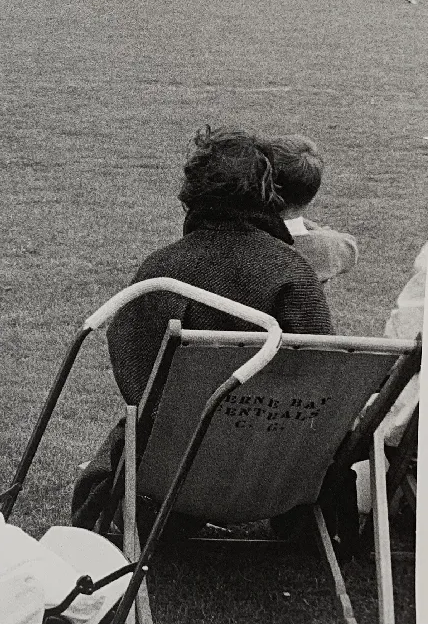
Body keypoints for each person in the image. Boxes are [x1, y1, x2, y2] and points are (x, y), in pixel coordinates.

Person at [70, 125, 334, 526]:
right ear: (269, 195)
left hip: (173, 468)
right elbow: (321, 376)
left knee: (141, 426)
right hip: (275, 468)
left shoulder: (160, 272)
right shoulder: (293, 272)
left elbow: (138, 386)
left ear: (191, 195)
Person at [262, 134, 358, 286]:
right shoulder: (329, 247)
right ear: (311, 198)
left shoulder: (244, 241)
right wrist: (318, 230)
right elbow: (349, 246)